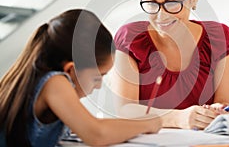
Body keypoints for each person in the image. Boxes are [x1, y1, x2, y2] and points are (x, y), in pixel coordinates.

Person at [0, 9, 161, 147]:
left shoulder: (32, 81)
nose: (98, 86)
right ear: (70, 70)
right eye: (98, 78)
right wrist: (147, 124)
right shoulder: (54, 82)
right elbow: (97, 133)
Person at [111, 0, 229, 130]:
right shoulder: (131, 38)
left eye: (172, 3)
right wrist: (178, 118)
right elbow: (125, 110)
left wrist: (216, 112)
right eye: (152, 2)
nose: (161, 15)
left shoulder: (219, 37)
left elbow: (226, 104)